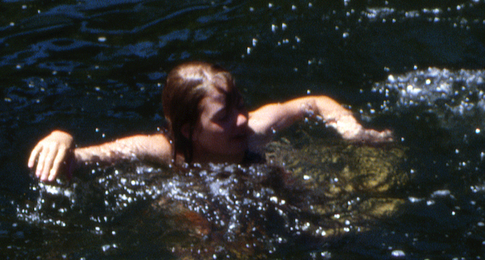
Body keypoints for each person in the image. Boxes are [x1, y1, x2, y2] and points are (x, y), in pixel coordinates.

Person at [26, 59, 393, 183]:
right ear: (188, 130)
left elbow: (313, 103)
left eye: (240, 105)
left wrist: (352, 130)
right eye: (224, 116)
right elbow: (89, 158)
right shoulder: (164, 150)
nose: (242, 119)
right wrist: (62, 137)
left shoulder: (253, 131)